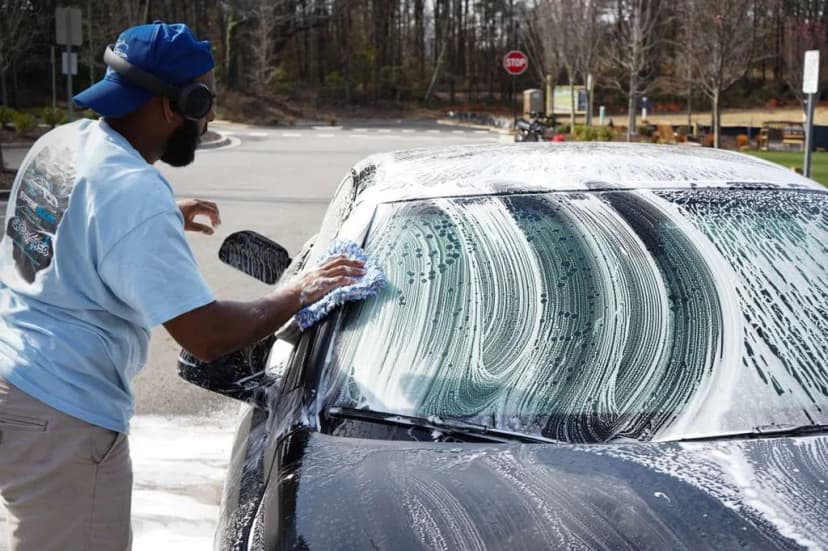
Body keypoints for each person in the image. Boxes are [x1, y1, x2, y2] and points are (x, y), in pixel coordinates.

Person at [0, 22, 363, 551]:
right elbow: (207, 335)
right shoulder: (131, 191)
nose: (210, 115)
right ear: (178, 105)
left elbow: (66, 223)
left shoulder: (62, 143)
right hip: (64, 420)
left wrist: (161, 215)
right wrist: (299, 292)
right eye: (206, 100)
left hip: (15, 386)